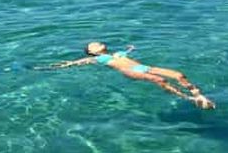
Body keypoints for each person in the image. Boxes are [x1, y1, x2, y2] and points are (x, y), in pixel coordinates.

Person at [43, 41, 215, 109]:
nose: (97, 43)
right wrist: (56, 66)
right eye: (93, 45)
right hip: (130, 72)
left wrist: (130, 49)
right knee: (159, 80)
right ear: (92, 52)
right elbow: (76, 63)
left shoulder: (117, 53)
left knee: (178, 75)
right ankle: (189, 99)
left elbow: (125, 51)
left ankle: (198, 95)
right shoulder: (98, 59)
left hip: (144, 67)